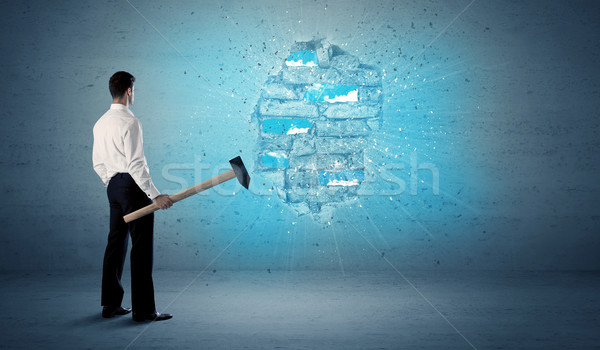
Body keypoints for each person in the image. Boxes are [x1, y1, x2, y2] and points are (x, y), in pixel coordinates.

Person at [93, 71, 173, 322]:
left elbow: (97, 163)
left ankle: (110, 305)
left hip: (114, 187)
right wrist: (156, 195)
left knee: (115, 244)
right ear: (129, 91)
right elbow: (136, 164)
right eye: (134, 90)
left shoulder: (100, 122)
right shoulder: (130, 122)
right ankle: (144, 310)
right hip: (132, 186)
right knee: (141, 248)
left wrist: (111, 183)